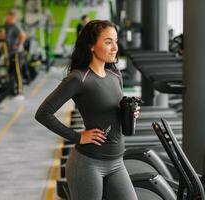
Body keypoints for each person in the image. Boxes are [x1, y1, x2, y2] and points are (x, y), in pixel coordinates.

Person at [35, 20, 140, 200]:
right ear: (91, 46)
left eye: (115, 41)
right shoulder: (78, 78)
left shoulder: (115, 73)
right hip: (88, 164)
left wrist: (129, 114)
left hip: (116, 162)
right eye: (108, 42)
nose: (115, 47)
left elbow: (110, 113)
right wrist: (78, 136)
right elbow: (43, 113)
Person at [0, 11, 26, 98]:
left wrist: (17, 45)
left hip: (17, 53)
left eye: (7, 17)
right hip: (11, 53)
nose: (5, 19)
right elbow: (2, 35)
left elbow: (23, 36)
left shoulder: (15, 26)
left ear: (12, 18)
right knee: (11, 72)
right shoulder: (8, 27)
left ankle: (20, 93)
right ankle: (11, 90)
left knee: (17, 72)